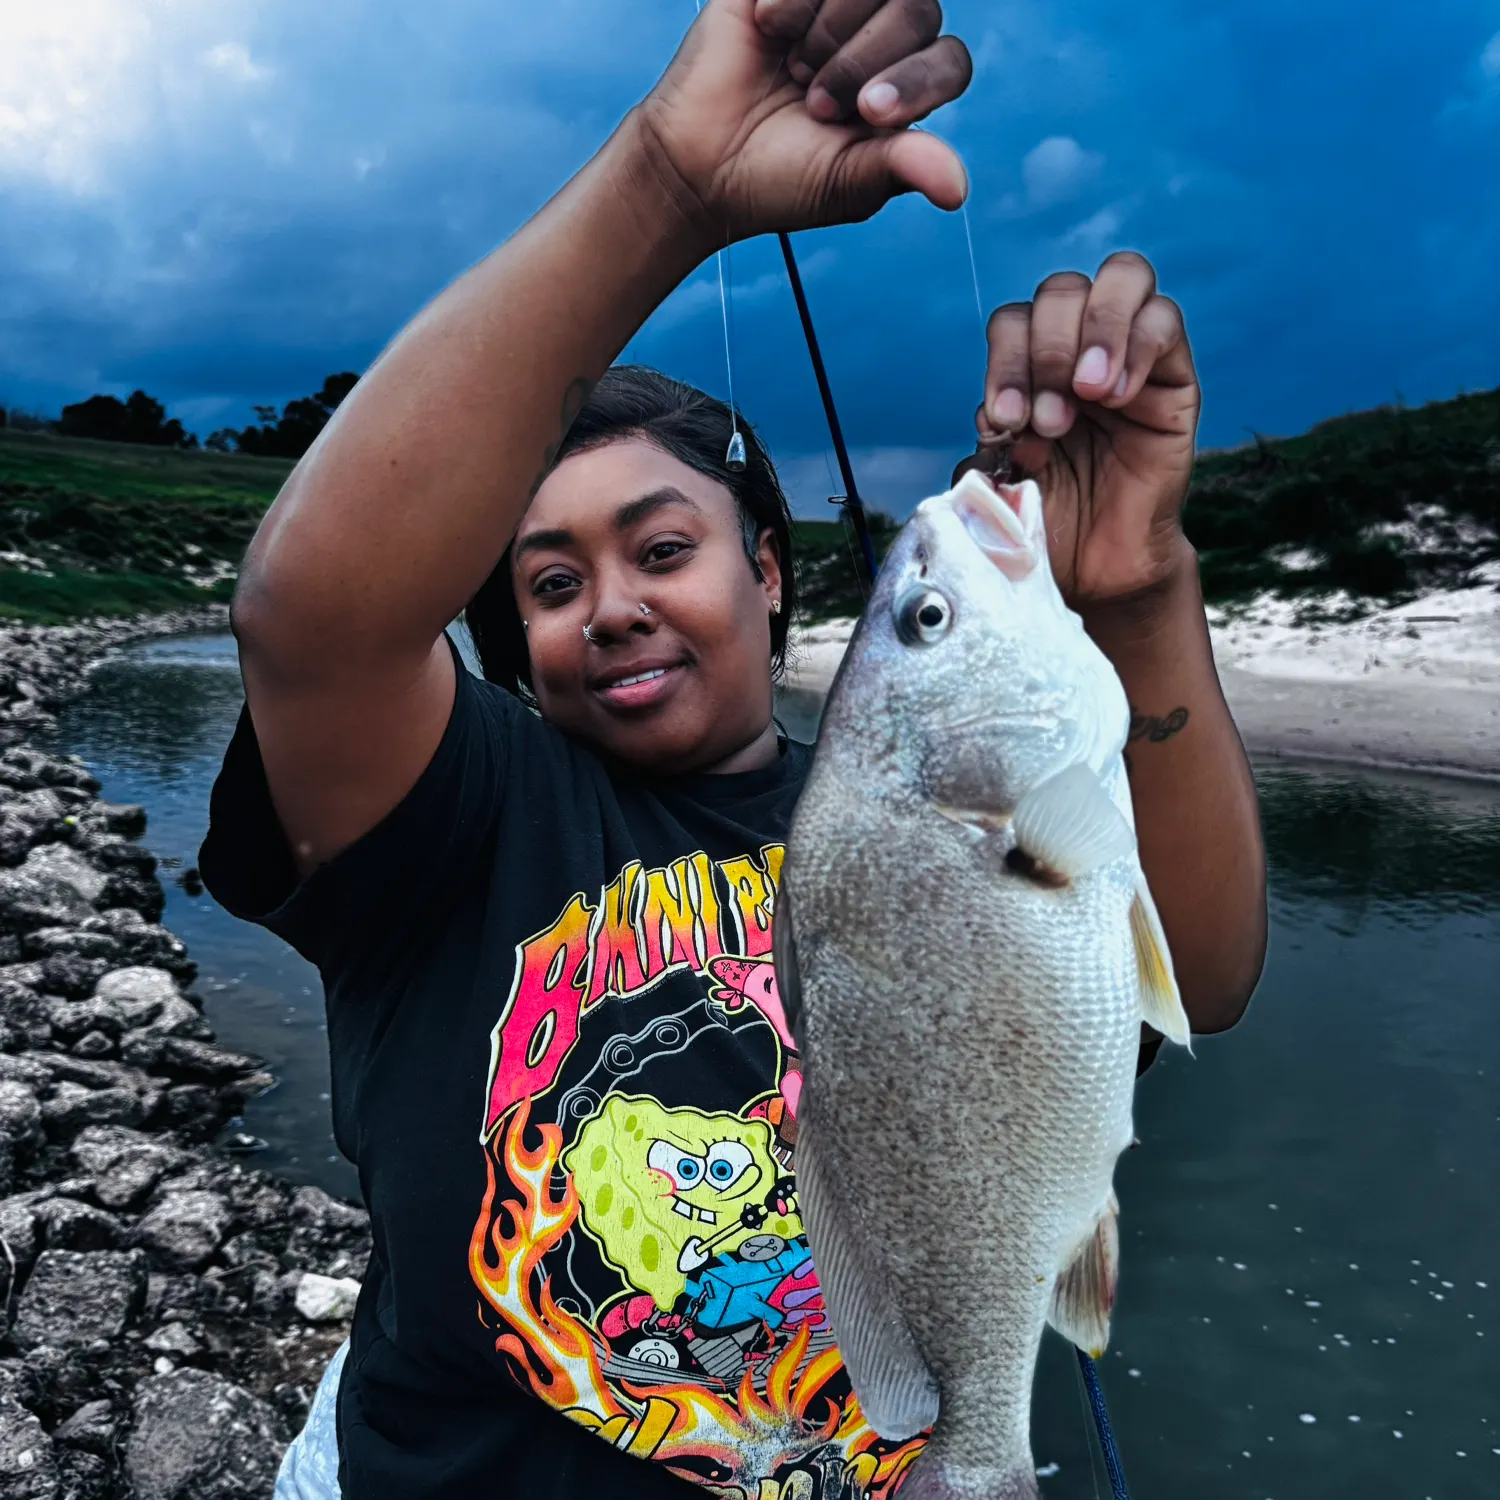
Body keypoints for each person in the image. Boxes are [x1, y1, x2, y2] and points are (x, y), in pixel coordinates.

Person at [200, 1, 1268, 1496]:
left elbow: (1200, 983)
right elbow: (308, 624)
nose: (614, 607)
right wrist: (668, 185)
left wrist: (1143, 592)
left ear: (767, 569)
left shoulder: (929, 801)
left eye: (661, 547)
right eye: (551, 583)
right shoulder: (461, 811)